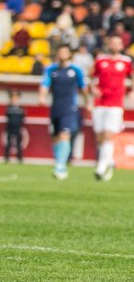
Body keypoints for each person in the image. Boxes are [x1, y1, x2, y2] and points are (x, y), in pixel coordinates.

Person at [90, 33, 134, 182]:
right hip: (100, 102)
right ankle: (109, 162)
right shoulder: (100, 60)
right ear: (108, 44)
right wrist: (93, 88)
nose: (115, 46)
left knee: (108, 134)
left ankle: (101, 167)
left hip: (116, 103)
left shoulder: (126, 61)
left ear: (121, 46)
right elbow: (91, 77)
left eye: (117, 43)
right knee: (100, 137)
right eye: (112, 43)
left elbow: (133, 77)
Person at [38, 45, 90, 180]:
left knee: (65, 135)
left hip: (70, 108)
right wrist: (42, 97)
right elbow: (45, 84)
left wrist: (88, 102)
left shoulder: (76, 70)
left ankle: (60, 166)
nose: (62, 54)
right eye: (60, 51)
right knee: (55, 138)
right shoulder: (50, 69)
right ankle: (59, 163)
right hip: (56, 108)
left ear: (69, 54)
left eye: (65, 52)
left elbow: (83, 87)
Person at [5, 90, 25, 163]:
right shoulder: (9, 108)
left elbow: (23, 117)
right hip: (10, 127)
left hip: (18, 127)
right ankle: (6, 158)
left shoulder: (21, 108)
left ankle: (19, 158)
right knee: (8, 142)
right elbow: (7, 116)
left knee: (19, 142)